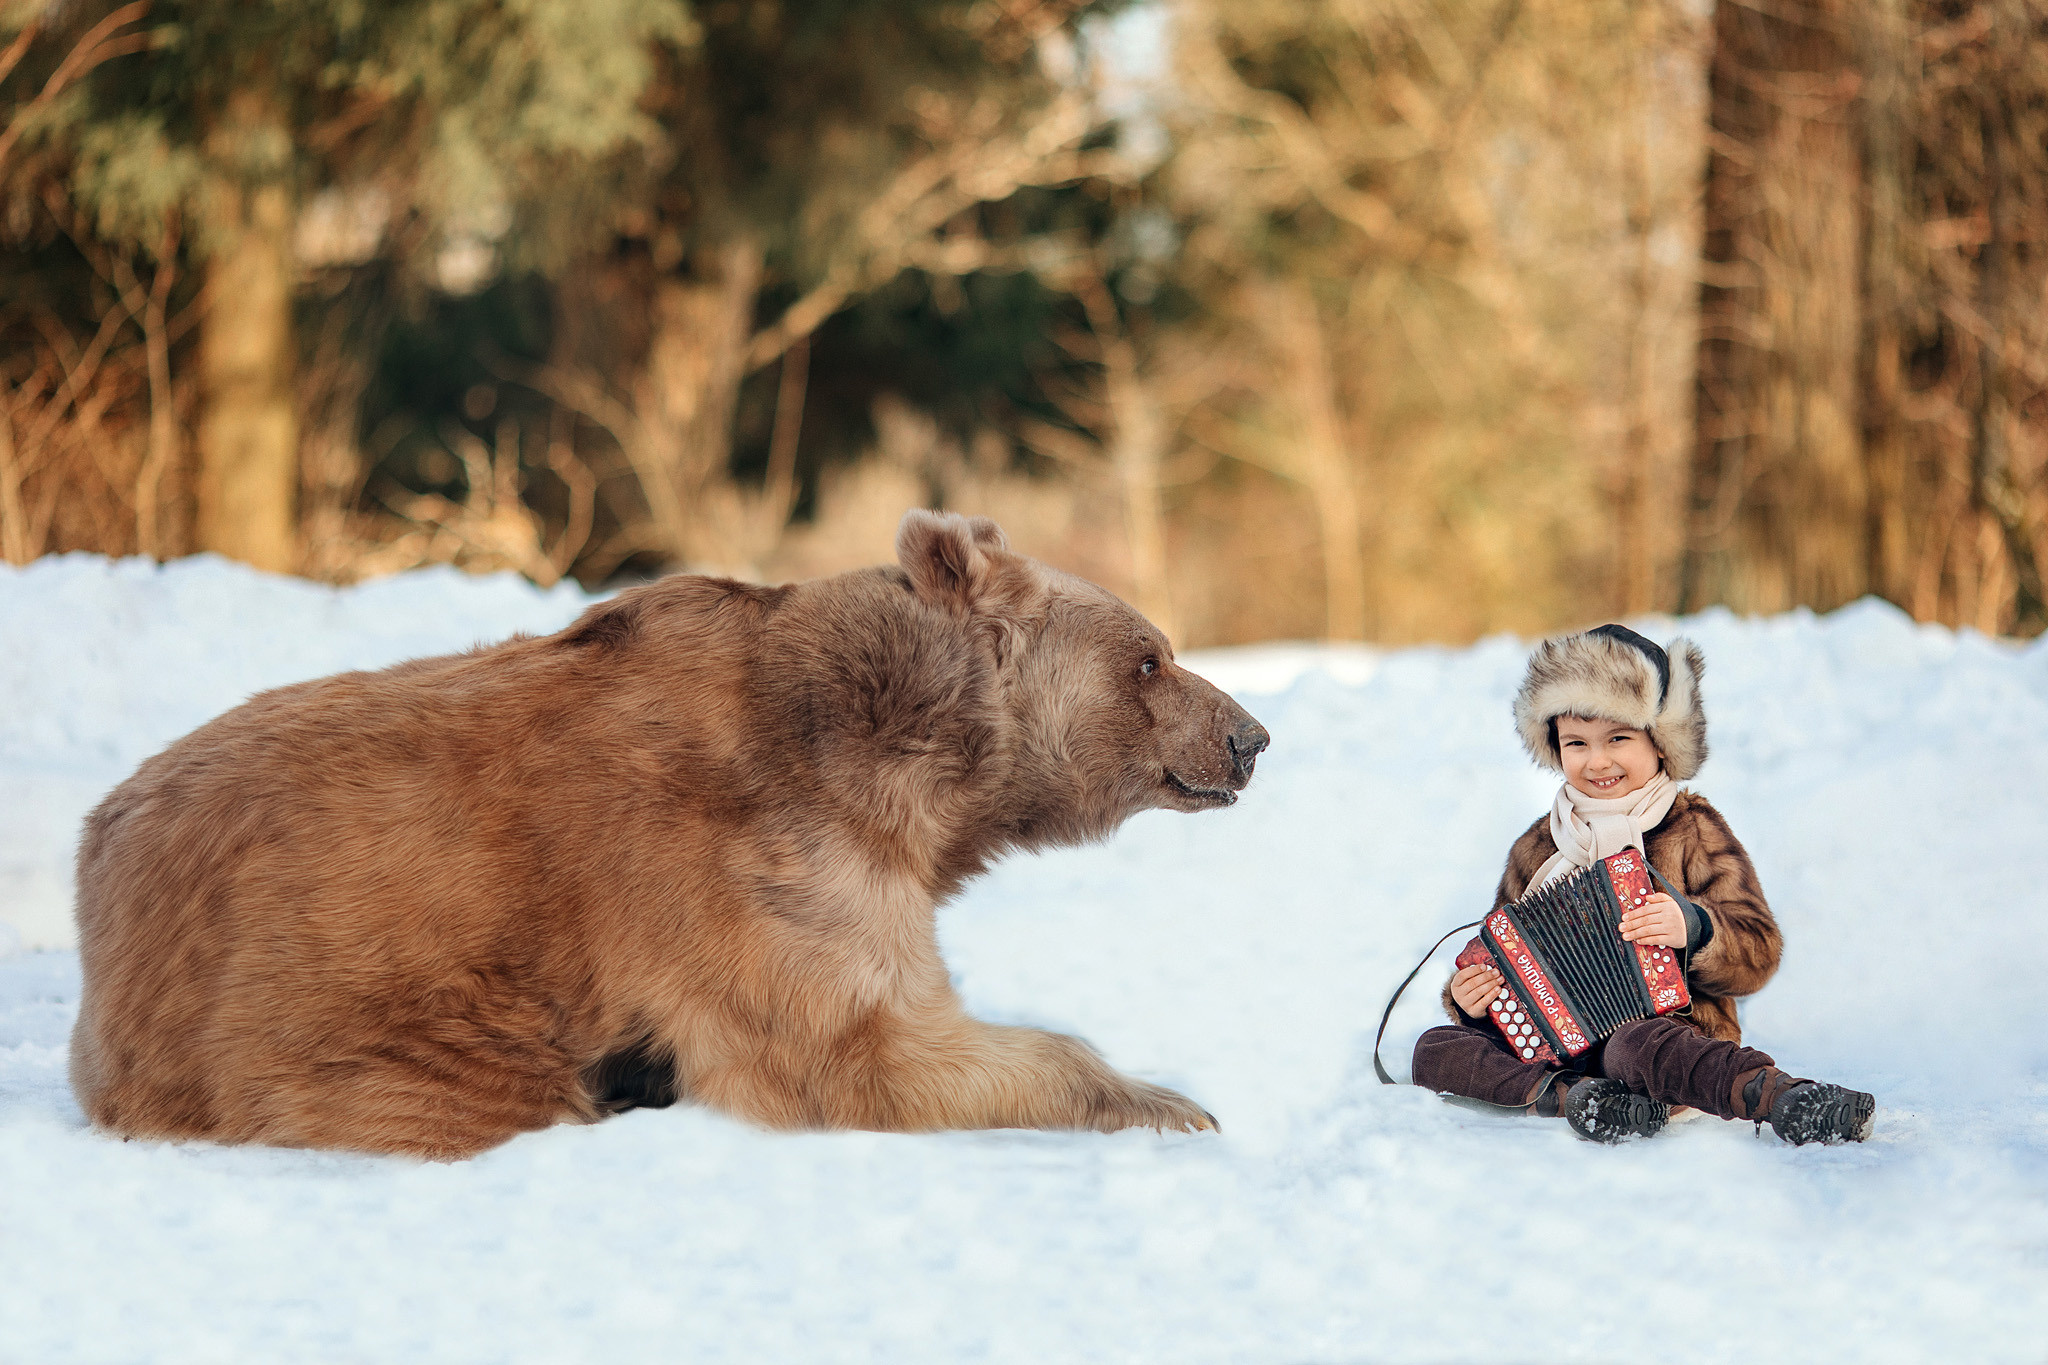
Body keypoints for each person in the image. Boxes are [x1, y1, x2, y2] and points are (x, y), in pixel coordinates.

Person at [1410, 623, 1875, 1144]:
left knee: (1632, 1046)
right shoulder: (1537, 849)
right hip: (1560, 1052)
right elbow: (1505, 957)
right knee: (1433, 1048)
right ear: (1555, 748)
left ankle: (1780, 1097)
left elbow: (1759, 950)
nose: (1597, 760)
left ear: (1660, 743)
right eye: (1577, 743)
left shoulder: (1692, 828)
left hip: (1673, 1035)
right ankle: (1576, 1098)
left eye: (1618, 738)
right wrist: (1474, 1001)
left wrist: (1695, 927)